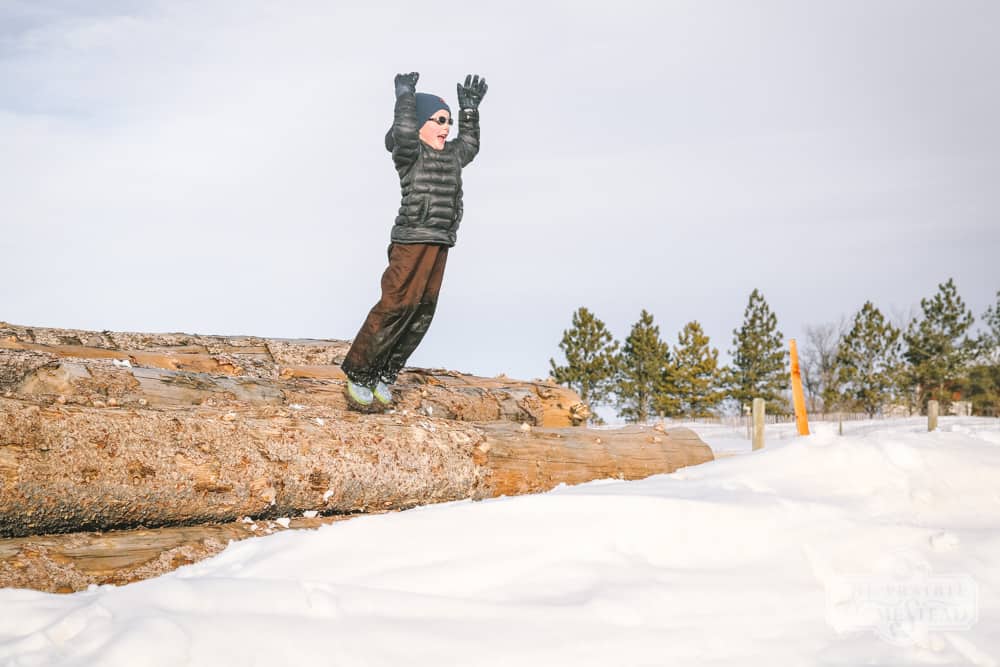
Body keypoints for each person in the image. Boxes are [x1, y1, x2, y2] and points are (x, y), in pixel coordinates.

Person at [341, 71, 488, 412]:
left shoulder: (452, 156)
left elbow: (471, 145)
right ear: (420, 123)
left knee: (422, 312)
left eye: (449, 122)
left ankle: (384, 373)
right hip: (412, 240)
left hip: (440, 241)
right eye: (439, 120)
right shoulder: (410, 153)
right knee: (397, 305)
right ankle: (359, 371)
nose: (446, 128)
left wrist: (469, 111)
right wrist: (405, 97)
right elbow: (404, 132)